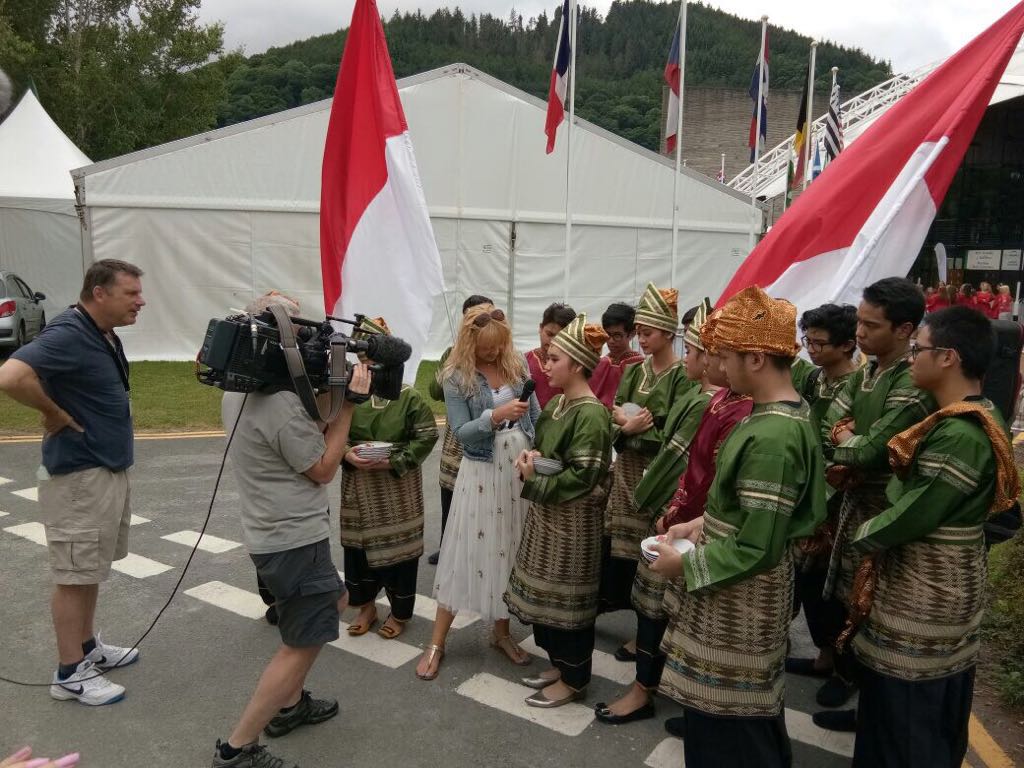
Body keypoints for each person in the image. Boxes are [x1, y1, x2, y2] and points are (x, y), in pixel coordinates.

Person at [649, 285, 826, 768]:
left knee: (732, 733)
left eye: (724, 357)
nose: (717, 367)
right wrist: (701, 522)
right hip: (736, 588)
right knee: (741, 720)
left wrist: (683, 566)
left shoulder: (774, 433)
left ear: (755, 359)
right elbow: (754, 512)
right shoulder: (771, 415)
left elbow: (759, 546)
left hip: (741, 598)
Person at [849, 306, 1019, 767]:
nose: (910, 360)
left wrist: (856, 537)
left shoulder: (962, 433)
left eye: (918, 350)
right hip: (938, 590)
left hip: (926, 597)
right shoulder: (971, 417)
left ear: (948, 357)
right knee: (915, 712)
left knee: (909, 720)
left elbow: (913, 513)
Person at [213, 332, 371, 767]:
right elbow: (321, 468)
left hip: (275, 534)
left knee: (334, 599)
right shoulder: (277, 405)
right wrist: (350, 407)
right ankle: (237, 748)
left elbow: (304, 424)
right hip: (292, 539)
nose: (308, 345)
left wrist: (334, 397)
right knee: (301, 641)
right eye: (297, 337)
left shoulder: (241, 388)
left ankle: (292, 704)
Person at [0, 259, 145, 707]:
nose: (140, 301)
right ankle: (69, 674)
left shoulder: (99, 331)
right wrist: (54, 413)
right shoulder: (68, 333)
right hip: (80, 476)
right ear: (99, 293)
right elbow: (10, 375)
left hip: (102, 470)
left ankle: (87, 649)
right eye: (130, 294)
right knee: (73, 574)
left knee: (89, 568)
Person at [595, 299, 734, 726]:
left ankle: (646, 691)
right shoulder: (719, 400)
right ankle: (674, 695)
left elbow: (682, 461)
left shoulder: (710, 402)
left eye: (695, 351)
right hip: (691, 514)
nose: (690, 358)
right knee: (668, 604)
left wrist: (669, 511)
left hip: (690, 516)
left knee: (658, 604)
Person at [814, 277, 936, 730]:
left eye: (871, 325)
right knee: (846, 595)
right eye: (860, 323)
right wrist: (849, 440)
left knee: (873, 604)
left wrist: (849, 439)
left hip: (884, 510)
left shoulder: (912, 379)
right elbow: (832, 423)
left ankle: (867, 702)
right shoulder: (868, 370)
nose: (860, 333)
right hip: (851, 500)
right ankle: (849, 680)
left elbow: (872, 450)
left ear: (905, 330)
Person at [416, 304, 541, 681]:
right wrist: (495, 417)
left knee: (509, 547)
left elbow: (535, 413)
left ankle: (501, 633)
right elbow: (460, 430)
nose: (493, 353)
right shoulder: (457, 376)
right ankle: (437, 642)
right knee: (466, 549)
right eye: (486, 347)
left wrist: (537, 451)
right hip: (483, 470)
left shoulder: (517, 364)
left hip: (516, 466)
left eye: (498, 345)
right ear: (470, 342)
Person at [503, 314, 613, 707]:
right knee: (547, 605)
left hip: (573, 521)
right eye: (547, 358)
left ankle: (575, 679)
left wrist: (534, 479)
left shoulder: (591, 413)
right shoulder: (560, 404)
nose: (545, 365)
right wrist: (533, 458)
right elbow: (551, 454)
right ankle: (560, 666)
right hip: (548, 515)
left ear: (578, 365)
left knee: (569, 606)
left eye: (554, 359)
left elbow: (585, 476)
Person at [598, 283, 690, 657]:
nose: (642, 339)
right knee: (629, 555)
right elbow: (616, 412)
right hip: (627, 474)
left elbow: (678, 430)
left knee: (654, 554)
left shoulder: (683, 376)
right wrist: (626, 426)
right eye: (639, 332)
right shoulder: (636, 371)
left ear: (669, 333)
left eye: (647, 332)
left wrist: (637, 427)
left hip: (660, 475)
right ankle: (641, 625)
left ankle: (651, 635)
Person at [340, 317, 439, 640]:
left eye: (372, 358)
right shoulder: (348, 394)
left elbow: (426, 436)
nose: (366, 365)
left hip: (398, 488)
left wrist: (394, 460)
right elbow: (329, 433)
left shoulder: (409, 397)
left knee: (401, 554)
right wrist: (346, 453)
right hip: (360, 486)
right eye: (362, 358)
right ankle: (366, 607)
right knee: (358, 552)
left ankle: (399, 613)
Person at [786, 304, 859, 681]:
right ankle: (824, 656)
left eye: (819, 342)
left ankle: (844, 671)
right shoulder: (814, 380)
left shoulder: (860, 387)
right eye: (807, 340)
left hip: (840, 498)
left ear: (847, 345)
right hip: (812, 489)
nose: (811, 349)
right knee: (811, 582)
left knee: (839, 586)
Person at [426, 294, 492, 565]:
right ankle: (447, 547)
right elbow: (434, 391)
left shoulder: (494, 353)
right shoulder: (451, 353)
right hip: (456, 438)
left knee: (480, 498)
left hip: (484, 435)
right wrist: (454, 357)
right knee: (450, 493)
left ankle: (476, 551)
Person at [589, 302, 646, 408]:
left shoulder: (640, 366)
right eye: (607, 334)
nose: (610, 341)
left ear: (632, 334)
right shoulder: (599, 363)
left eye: (617, 335)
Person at [526, 303, 577, 408]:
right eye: (549, 334)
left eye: (560, 337)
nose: (553, 341)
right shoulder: (523, 361)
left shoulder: (574, 367)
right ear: (540, 328)